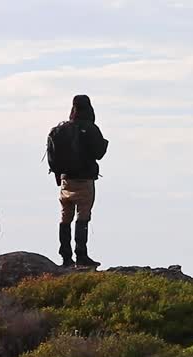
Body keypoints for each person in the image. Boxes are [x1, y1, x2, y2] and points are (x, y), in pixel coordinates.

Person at [47, 95, 109, 267]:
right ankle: (81, 255)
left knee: (65, 216)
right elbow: (99, 154)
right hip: (84, 180)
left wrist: (59, 176)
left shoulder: (61, 130)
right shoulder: (90, 128)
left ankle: (65, 257)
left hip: (65, 180)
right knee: (83, 216)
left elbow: (53, 157)